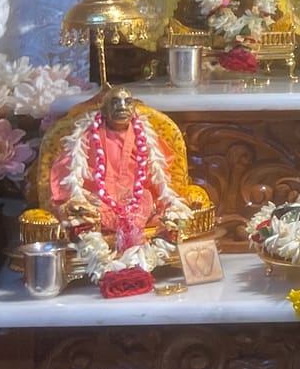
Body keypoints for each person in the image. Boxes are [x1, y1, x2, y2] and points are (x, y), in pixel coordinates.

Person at [44, 88, 197, 252]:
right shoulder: (86, 137)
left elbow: (160, 176)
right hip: (97, 205)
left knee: (175, 218)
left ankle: (155, 252)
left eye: (128, 102)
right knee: (80, 217)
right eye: (115, 102)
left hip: (140, 203)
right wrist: (81, 200)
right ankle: (100, 255)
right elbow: (67, 175)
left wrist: (157, 202)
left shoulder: (146, 136)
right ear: (104, 109)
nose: (122, 107)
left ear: (134, 108)